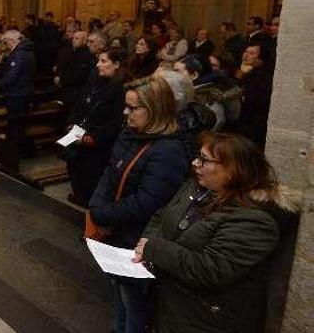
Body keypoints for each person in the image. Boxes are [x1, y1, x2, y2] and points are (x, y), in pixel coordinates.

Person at [135, 132, 296, 333]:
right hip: (173, 308)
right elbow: (163, 216)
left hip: (205, 320)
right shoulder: (203, 188)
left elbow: (210, 269)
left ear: (233, 171)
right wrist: (148, 242)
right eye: (197, 156)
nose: (195, 163)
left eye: (204, 160)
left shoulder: (256, 221)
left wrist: (155, 248)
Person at [88, 76, 188, 333]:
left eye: (132, 108)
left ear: (153, 110)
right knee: (120, 290)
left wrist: (103, 214)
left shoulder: (168, 150)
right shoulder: (130, 133)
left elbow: (147, 201)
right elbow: (110, 173)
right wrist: (96, 207)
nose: (125, 113)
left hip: (137, 236)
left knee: (134, 301)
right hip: (117, 228)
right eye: (126, 106)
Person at [64, 48, 127, 207]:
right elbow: (79, 104)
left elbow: (114, 122)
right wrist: (71, 125)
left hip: (98, 145)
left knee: (90, 181)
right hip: (79, 135)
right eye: (98, 60)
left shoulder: (120, 89)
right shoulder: (94, 81)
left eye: (103, 61)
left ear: (117, 64)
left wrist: (91, 138)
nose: (98, 65)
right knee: (74, 169)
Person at [0, 29, 36, 172]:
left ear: (12, 41)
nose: (5, 44)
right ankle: (24, 152)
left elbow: (12, 76)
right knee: (20, 124)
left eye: (6, 42)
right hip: (25, 92)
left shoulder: (18, 54)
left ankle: (13, 155)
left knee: (14, 124)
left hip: (17, 94)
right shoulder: (27, 51)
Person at [237, 44, 273, 147]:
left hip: (253, 123)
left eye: (252, 53)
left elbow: (255, 99)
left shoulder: (263, 76)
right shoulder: (240, 70)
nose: (246, 55)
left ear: (260, 59)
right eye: (246, 51)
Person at [55, 30, 93, 107]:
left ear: (84, 41)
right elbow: (62, 65)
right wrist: (58, 75)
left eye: (77, 38)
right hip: (65, 89)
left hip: (77, 91)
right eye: (73, 38)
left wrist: (62, 80)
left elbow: (80, 75)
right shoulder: (69, 51)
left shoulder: (87, 55)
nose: (73, 41)